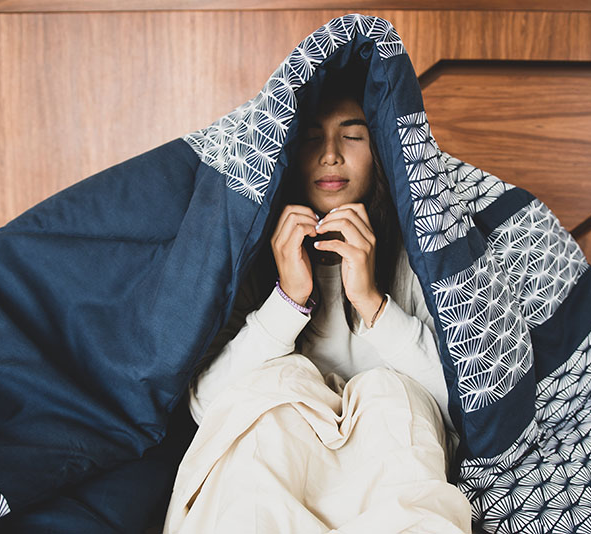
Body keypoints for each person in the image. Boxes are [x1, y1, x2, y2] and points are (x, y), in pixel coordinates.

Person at [163, 71, 472, 533]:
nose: (331, 155)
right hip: (277, 480)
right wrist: (287, 300)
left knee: (391, 393)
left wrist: (372, 303)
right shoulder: (249, 250)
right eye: (311, 138)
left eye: (352, 136)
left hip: (386, 479)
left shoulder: (424, 254)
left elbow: (469, 405)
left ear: (381, 150)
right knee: (282, 384)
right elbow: (208, 408)